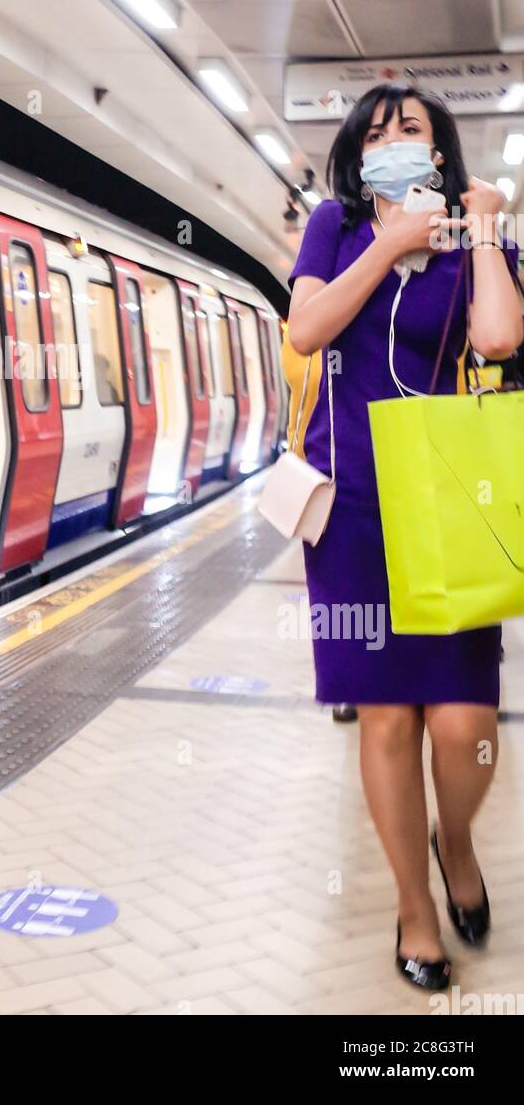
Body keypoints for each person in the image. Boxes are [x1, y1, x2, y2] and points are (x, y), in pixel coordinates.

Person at [287, 83, 523, 992]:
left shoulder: (472, 242)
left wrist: (486, 229)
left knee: (464, 727)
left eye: (410, 129)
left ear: (439, 151)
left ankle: (453, 840)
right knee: (384, 719)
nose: (391, 141)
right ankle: (414, 909)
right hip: (350, 510)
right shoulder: (333, 227)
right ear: (357, 150)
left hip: (449, 505)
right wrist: (384, 244)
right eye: (376, 130)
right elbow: (306, 330)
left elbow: (498, 339)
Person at [279, 329, 356, 725]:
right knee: (335, 585)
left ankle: (374, 679)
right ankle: (348, 685)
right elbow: (301, 393)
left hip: (371, 457)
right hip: (316, 473)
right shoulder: (301, 326)